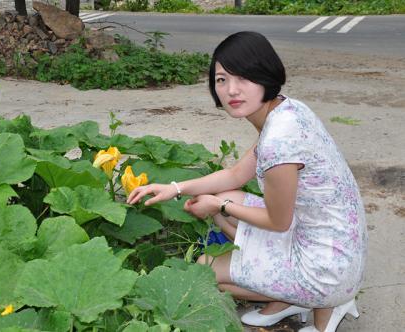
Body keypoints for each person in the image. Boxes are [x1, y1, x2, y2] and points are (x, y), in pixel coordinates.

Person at [126, 31, 367, 332]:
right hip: (332, 241)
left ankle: (316, 300)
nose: (231, 90)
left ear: (265, 75)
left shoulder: (279, 141)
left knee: (205, 270)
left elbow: (278, 222)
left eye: (244, 78)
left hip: (327, 267)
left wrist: (220, 204)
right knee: (225, 195)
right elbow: (236, 175)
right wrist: (174, 188)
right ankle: (288, 298)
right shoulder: (286, 110)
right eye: (222, 79)